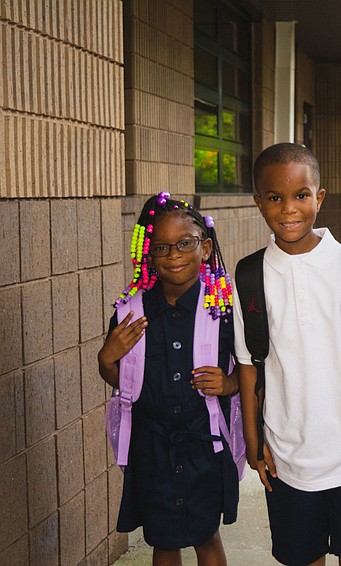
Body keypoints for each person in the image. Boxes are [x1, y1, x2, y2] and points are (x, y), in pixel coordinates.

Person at [232, 143, 341, 566]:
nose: (289, 209)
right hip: (287, 459)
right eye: (274, 197)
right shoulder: (248, 276)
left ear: (320, 197)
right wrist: (253, 441)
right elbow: (249, 367)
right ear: (258, 201)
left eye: (301, 195)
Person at [98, 192, 238, 565]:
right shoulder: (131, 312)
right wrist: (105, 358)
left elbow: (250, 367)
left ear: (205, 249)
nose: (174, 255)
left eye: (184, 244)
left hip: (204, 443)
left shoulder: (223, 309)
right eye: (161, 247)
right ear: (149, 254)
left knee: (207, 534)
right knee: (163, 538)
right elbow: (119, 379)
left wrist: (229, 383)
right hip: (152, 446)